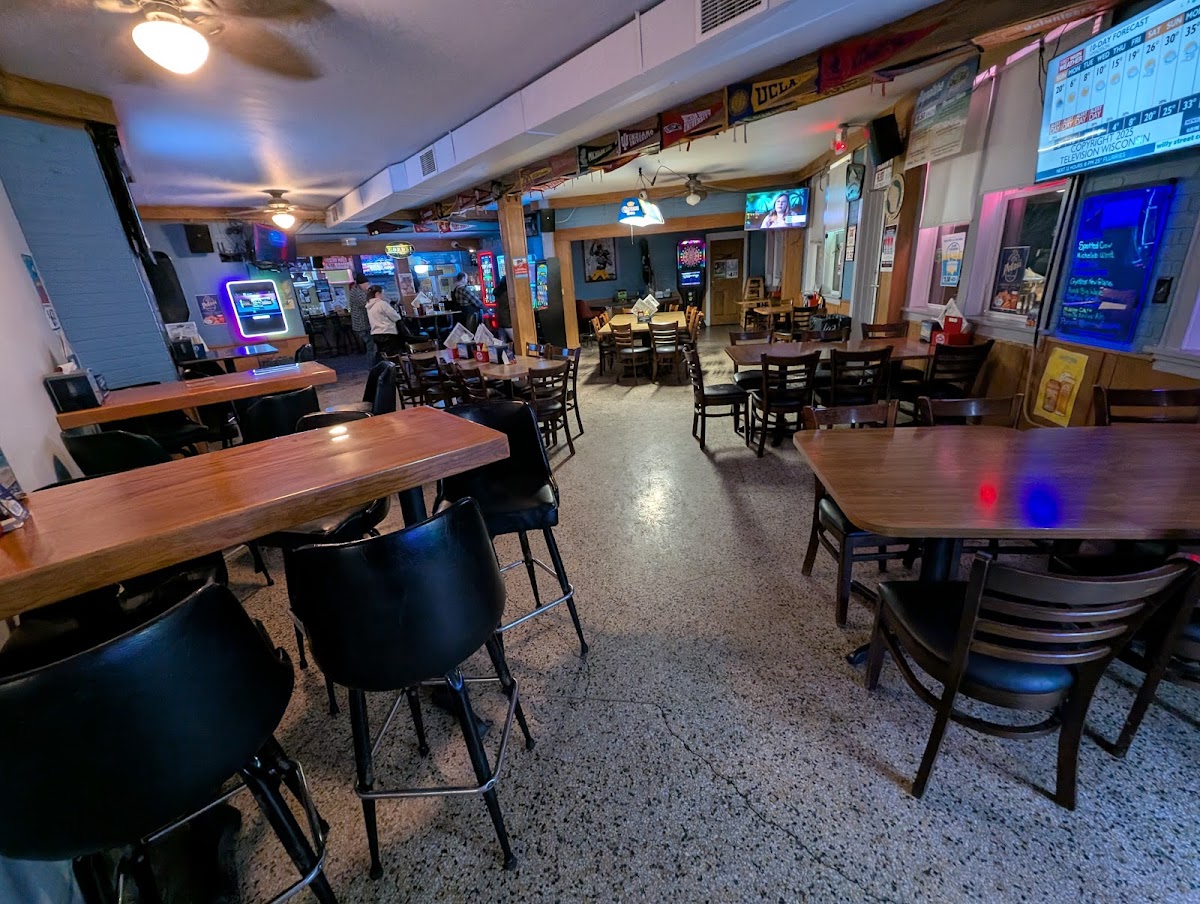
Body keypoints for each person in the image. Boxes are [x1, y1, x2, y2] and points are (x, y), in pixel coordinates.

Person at [365, 285, 415, 359]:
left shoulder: (368, 306)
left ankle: (385, 368)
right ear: (377, 294)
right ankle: (397, 368)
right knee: (394, 355)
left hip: (376, 334)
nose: (383, 296)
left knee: (384, 355)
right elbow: (395, 317)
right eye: (383, 294)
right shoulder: (382, 304)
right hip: (388, 333)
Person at [348, 273, 374, 361]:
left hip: (362, 324)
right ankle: (372, 366)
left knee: (371, 345)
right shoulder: (357, 293)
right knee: (371, 346)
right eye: (366, 284)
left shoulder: (355, 290)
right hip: (362, 324)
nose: (367, 285)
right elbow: (367, 304)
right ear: (361, 284)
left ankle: (374, 364)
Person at [494, 276, 513, 344]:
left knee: (502, 343)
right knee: (518, 342)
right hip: (507, 320)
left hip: (499, 319)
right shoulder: (508, 293)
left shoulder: (498, 292)